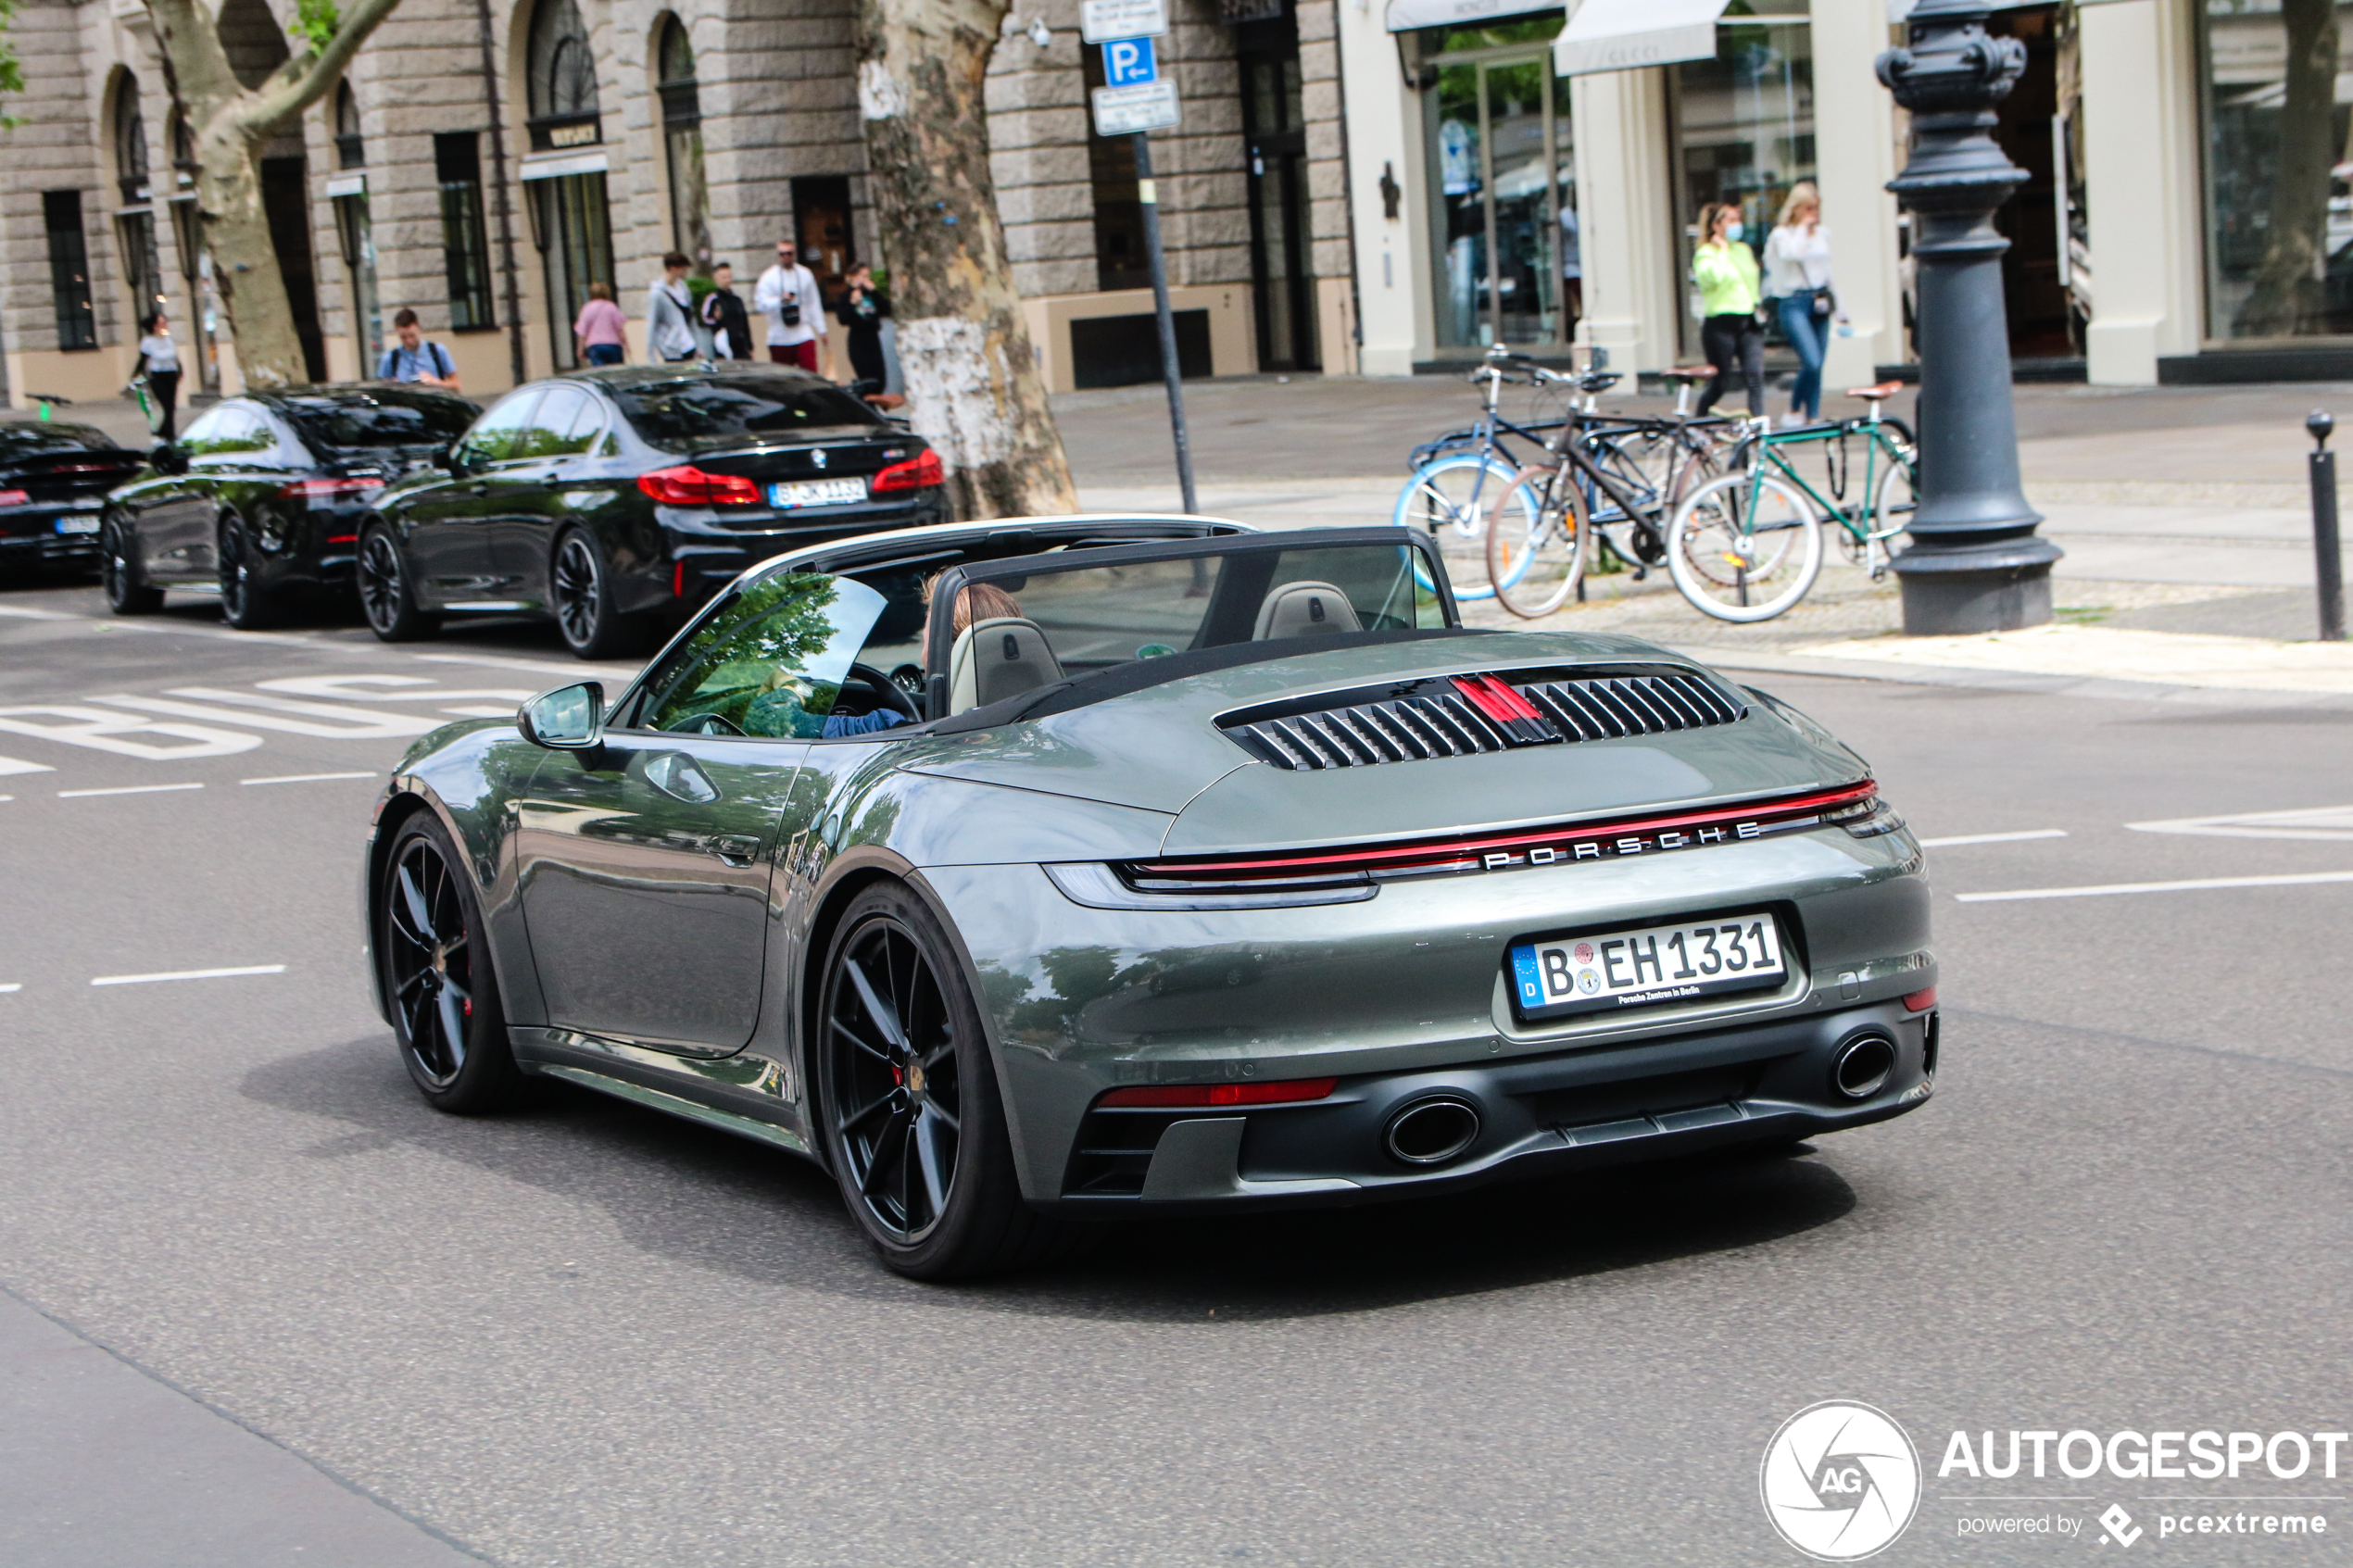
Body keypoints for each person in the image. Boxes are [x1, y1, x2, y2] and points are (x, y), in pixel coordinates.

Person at [1764, 181, 1844, 426]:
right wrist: (1800, 227)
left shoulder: (1822, 234)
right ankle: (1794, 409)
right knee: (1811, 360)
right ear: (1796, 208)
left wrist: (1840, 307)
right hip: (1793, 302)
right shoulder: (1782, 235)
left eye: (1816, 208)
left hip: (1818, 300)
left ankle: (1813, 415)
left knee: (1819, 363)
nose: (1814, 213)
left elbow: (1827, 272)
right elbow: (1793, 255)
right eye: (1808, 208)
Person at [1692, 202, 1764, 420]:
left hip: (1748, 319)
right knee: (1721, 380)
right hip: (1721, 322)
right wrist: (1721, 252)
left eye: (1737, 220)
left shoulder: (1742, 250)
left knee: (1755, 375)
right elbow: (1712, 278)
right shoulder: (1705, 253)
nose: (1736, 225)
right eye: (1730, 220)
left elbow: (1751, 278)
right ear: (1716, 225)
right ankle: (1699, 419)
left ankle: (1757, 424)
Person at [754, 238, 826, 373]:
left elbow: (813, 303)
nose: (786, 257)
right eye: (782, 254)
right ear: (778, 255)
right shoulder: (769, 277)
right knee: (783, 380)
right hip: (779, 335)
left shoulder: (805, 274)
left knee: (810, 373)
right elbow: (760, 304)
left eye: (789, 253)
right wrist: (780, 300)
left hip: (803, 332)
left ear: (795, 253)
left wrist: (822, 329)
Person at [835, 263, 891, 390]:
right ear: (853, 277)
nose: (866, 280)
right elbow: (842, 319)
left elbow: (886, 309)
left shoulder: (870, 294)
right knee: (866, 380)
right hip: (858, 340)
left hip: (873, 337)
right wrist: (853, 303)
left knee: (880, 379)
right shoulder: (846, 296)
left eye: (868, 277)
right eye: (863, 276)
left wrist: (875, 292)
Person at [377, 308, 461, 392]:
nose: (409, 341)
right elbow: (380, 391)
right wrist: (393, 387)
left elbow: (456, 385)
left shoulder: (437, 351)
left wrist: (436, 382)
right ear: (396, 331)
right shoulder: (390, 358)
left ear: (418, 327)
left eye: (412, 335)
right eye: (403, 337)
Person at [135, 310, 182, 442]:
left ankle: (167, 431)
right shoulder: (148, 341)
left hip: (171, 374)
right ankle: (166, 431)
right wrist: (136, 375)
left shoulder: (169, 339)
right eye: (162, 322)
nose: (165, 324)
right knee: (166, 403)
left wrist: (180, 370)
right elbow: (142, 360)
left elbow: (175, 358)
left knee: (171, 405)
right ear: (155, 325)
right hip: (157, 376)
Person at [645, 253, 698, 363]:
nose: (685, 273)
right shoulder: (657, 294)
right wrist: (651, 355)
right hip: (672, 348)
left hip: (689, 344)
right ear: (673, 268)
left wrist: (698, 345)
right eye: (683, 269)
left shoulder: (683, 288)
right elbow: (651, 324)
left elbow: (690, 316)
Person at [701, 261, 753, 361]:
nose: (727, 280)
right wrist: (715, 318)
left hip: (740, 347)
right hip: (723, 348)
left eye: (729, 276)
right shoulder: (713, 299)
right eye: (723, 277)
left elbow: (744, 323)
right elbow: (706, 319)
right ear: (716, 278)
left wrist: (750, 347)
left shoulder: (737, 299)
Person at [573, 281, 628, 367]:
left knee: (599, 373)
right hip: (613, 345)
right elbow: (619, 328)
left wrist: (580, 349)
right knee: (615, 374)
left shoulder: (587, 308)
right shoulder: (612, 307)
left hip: (595, 346)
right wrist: (626, 345)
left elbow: (582, 331)